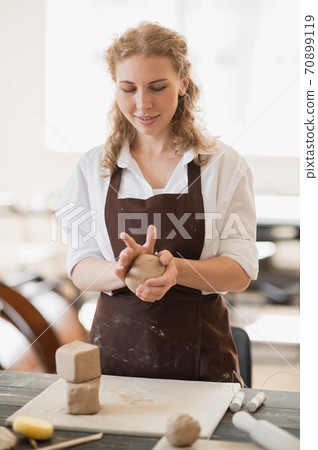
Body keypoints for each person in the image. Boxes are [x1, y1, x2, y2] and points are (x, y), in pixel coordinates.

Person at [57, 22, 258, 383]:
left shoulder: (223, 165)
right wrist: (120, 272)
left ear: (183, 82)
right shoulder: (93, 168)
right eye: (128, 89)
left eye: (157, 87)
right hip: (112, 361)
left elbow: (241, 271)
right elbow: (78, 266)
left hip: (202, 363)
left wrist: (177, 271)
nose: (142, 104)